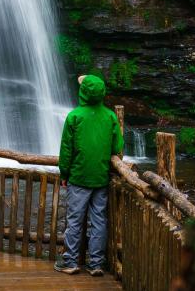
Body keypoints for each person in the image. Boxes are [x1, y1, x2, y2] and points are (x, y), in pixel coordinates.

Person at [54, 74, 124, 276]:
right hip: (101, 178)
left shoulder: (74, 116)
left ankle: (71, 262)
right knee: (99, 220)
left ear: (83, 92)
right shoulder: (110, 116)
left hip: (78, 177)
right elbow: (117, 146)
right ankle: (96, 264)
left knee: (75, 220)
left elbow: (66, 151)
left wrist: (64, 173)